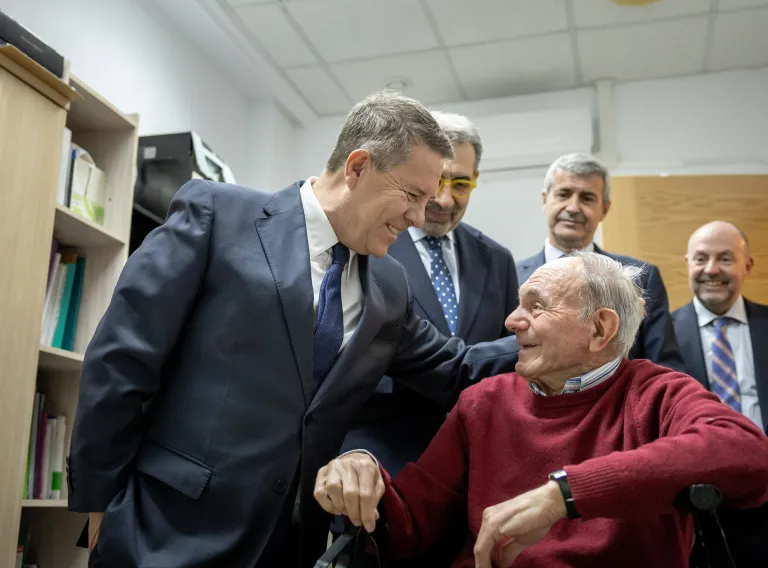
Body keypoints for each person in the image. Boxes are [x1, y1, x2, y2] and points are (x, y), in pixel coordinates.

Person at [66, 90, 521, 568]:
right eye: (412, 195)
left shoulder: (389, 286)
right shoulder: (219, 215)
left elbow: (454, 367)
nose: (419, 217)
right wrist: (99, 505)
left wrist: (558, 332)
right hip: (165, 529)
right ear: (358, 167)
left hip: (289, 544)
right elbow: (121, 361)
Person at [315, 252, 768, 568]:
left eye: (536, 306)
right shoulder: (484, 401)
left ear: (599, 328)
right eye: (517, 305)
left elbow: (747, 452)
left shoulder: (657, 393)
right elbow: (408, 524)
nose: (512, 322)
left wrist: (563, 496)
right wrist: (362, 475)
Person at [339, 110, 518, 566]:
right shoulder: (370, 241)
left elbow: (504, 369)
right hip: (381, 464)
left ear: (476, 180)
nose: (443, 198)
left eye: (461, 184)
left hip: (474, 477)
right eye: (436, 181)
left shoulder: (496, 259)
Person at [515, 153, 684, 370]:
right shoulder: (509, 276)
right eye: (563, 194)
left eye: (587, 198)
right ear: (545, 200)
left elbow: (664, 367)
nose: (573, 207)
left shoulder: (641, 279)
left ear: (605, 209)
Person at [672, 220, 768, 567]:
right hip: (698, 505)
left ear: (748, 265)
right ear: (687, 263)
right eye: (701, 259)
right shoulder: (660, 336)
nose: (711, 270)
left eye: (725, 259)